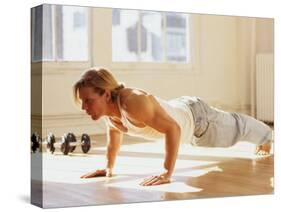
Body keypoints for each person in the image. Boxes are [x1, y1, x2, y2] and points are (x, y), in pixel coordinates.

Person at [73, 67, 273, 186]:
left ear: (106, 94)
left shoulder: (132, 102)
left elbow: (173, 129)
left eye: (88, 100)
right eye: (82, 102)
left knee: (238, 129)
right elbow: (114, 135)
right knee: (231, 129)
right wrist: (108, 168)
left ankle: (266, 135)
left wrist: (166, 173)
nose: (84, 107)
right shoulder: (110, 112)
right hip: (185, 116)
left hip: (198, 121)